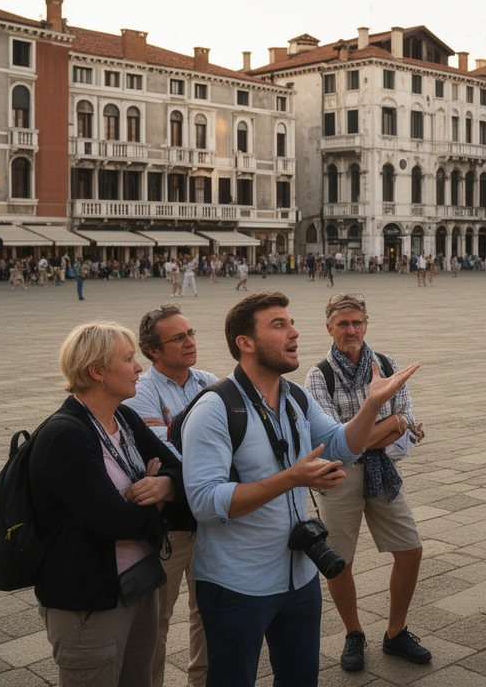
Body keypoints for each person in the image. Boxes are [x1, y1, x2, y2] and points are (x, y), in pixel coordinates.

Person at [180, 292, 419, 687]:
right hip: (238, 582)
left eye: (291, 323)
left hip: (298, 577)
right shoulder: (214, 409)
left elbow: (342, 445)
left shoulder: (294, 396)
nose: (294, 332)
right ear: (245, 342)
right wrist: (292, 478)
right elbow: (205, 502)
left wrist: (373, 405)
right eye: (279, 325)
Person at [30, 322, 185, 686]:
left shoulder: (124, 419)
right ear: (96, 372)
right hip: (91, 602)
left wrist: (162, 484)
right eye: (129, 359)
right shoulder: (65, 435)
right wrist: (159, 498)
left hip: (140, 585)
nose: (139, 367)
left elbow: (177, 470)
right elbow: (115, 522)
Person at [306, 294, 430, 672]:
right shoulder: (318, 375)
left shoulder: (387, 365)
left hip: (382, 471)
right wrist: (388, 425)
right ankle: (353, 633)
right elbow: (333, 445)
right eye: (342, 323)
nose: (351, 330)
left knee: (410, 549)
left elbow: (406, 417)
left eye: (357, 322)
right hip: (339, 476)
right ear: (329, 328)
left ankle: (395, 632)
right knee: (339, 561)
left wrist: (382, 429)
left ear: (366, 324)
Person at [126, 305, 218, 687]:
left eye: (191, 332)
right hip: (170, 528)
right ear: (153, 351)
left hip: (212, 521)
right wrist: (203, 444)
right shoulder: (139, 392)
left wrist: (169, 430)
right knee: (154, 623)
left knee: (211, 615)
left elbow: (226, 445)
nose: (190, 341)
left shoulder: (211, 382)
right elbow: (162, 453)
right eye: (178, 337)